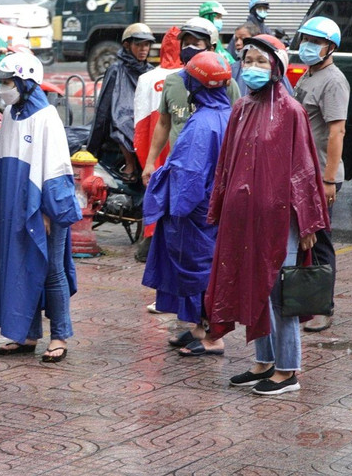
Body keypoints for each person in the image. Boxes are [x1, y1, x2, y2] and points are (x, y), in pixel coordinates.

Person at [205, 34, 329, 395]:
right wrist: (221, 208)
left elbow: (304, 168)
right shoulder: (241, 108)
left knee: (279, 290)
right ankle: (263, 361)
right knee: (252, 285)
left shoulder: (291, 111)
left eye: (261, 61)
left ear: (275, 65)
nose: (253, 68)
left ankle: (288, 370)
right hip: (245, 220)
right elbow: (226, 165)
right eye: (248, 61)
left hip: (281, 220)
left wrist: (307, 222)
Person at [0, 52, 82, 364]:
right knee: (22, 266)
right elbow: (3, 162)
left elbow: (55, 166)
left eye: (8, 81)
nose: (3, 88)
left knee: (51, 269)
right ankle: (27, 333)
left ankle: (60, 335)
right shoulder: (12, 113)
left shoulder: (46, 116)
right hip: (16, 203)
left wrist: (49, 210)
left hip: (44, 207)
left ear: (25, 80)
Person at [141, 51, 234, 356]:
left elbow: (189, 175)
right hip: (212, 209)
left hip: (195, 213)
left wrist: (168, 203)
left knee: (198, 272)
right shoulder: (226, 114)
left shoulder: (202, 124)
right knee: (205, 269)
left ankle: (211, 336)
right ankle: (197, 327)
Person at [294, 17, 349, 333]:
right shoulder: (309, 75)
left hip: (321, 175)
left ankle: (322, 308)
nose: (308, 46)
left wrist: (328, 180)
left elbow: (337, 131)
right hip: (305, 173)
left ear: (330, 47)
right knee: (306, 240)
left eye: (315, 41)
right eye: (306, 39)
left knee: (321, 240)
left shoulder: (334, 81)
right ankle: (305, 302)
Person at [141, 17, 241, 188]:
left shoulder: (225, 83)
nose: (189, 48)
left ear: (211, 48)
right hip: (179, 169)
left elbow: (238, 126)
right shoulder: (172, 82)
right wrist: (150, 162)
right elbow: (164, 123)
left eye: (196, 43)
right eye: (186, 43)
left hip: (215, 170)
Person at [132, 25, 182, 271]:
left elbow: (139, 122)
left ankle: (151, 242)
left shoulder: (147, 78)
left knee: (155, 193)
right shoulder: (190, 75)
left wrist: (146, 158)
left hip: (153, 143)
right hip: (180, 144)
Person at [87, 23, 155, 184]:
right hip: (123, 122)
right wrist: (92, 150)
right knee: (121, 124)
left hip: (146, 121)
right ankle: (129, 166)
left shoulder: (151, 71)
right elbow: (104, 109)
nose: (143, 49)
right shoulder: (116, 70)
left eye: (146, 44)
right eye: (138, 44)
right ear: (127, 45)